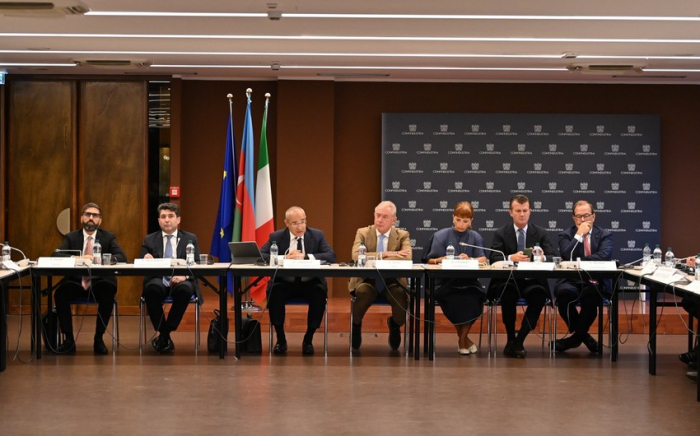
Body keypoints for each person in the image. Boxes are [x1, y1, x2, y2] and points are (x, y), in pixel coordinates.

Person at [52, 202, 127, 354]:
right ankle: (68, 340)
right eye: (88, 215)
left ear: (100, 220)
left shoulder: (108, 237)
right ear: (82, 218)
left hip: (99, 282)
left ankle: (98, 339)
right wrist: (78, 257)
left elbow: (121, 257)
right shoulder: (72, 237)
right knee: (60, 294)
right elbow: (55, 255)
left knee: (108, 292)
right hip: (76, 281)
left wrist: (99, 259)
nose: (91, 218)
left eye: (95, 215)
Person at [260, 206, 336, 356]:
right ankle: (281, 339)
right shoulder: (276, 237)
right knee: (275, 292)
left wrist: (306, 256)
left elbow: (331, 256)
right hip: (285, 282)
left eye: (303, 221)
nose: (300, 227)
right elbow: (261, 255)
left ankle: (308, 339)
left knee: (319, 292)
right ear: (287, 223)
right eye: (295, 223)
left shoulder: (316, 235)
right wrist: (284, 258)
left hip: (310, 282)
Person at [488, 194, 555, 358]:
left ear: (530, 211)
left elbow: (553, 257)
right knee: (508, 293)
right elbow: (494, 258)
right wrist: (511, 257)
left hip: (532, 281)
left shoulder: (540, 232)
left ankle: (519, 341)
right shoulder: (501, 233)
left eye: (525, 210)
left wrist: (541, 256)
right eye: (518, 211)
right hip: (508, 281)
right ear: (510, 212)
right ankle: (511, 338)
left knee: (539, 295)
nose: (522, 214)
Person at [349, 200, 412, 351]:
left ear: (393, 220)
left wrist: (376, 256)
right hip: (367, 280)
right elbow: (357, 256)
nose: (379, 220)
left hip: (392, 281)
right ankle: (356, 325)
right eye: (377, 215)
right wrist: (386, 254)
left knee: (401, 297)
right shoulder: (363, 232)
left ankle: (395, 325)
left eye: (384, 217)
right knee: (363, 293)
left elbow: (407, 257)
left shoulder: (402, 235)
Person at [425, 201, 487, 355]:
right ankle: (464, 340)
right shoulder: (441, 235)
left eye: (465, 221)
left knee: (473, 298)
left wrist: (470, 260)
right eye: (458, 220)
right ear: (453, 218)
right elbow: (429, 260)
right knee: (456, 300)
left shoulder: (475, 236)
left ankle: (462, 339)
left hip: (469, 283)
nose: (461, 224)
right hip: (446, 283)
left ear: (471, 221)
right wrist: (442, 259)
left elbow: (483, 259)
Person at [552, 200, 613, 353]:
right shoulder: (566, 234)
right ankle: (584, 336)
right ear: (574, 218)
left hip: (594, 279)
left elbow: (604, 256)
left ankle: (574, 339)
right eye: (579, 217)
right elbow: (566, 254)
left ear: (594, 217)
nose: (583, 220)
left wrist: (577, 262)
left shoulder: (604, 234)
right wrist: (579, 235)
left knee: (591, 296)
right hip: (571, 279)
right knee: (563, 294)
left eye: (586, 216)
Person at [139, 203, 201, 354]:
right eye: (163, 217)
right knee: (151, 289)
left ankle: (164, 334)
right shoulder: (150, 239)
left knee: (185, 289)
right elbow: (140, 262)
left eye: (171, 216)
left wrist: (184, 276)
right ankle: (165, 334)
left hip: (182, 280)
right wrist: (145, 258)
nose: (167, 220)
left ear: (178, 219)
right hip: (158, 279)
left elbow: (198, 264)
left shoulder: (190, 238)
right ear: (159, 220)